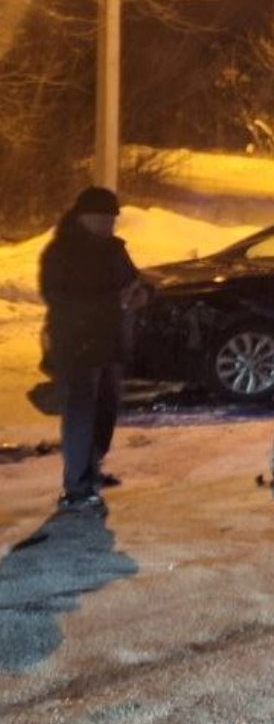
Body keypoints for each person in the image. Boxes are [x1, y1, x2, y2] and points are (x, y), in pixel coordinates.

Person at [39, 187, 151, 514]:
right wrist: (113, 302)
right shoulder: (61, 252)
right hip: (76, 345)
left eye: (112, 219)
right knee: (80, 415)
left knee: (105, 412)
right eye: (101, 218)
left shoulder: (114, 250)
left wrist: (143, 294)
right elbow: (61, 301)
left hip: (111, 345)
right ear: (83, 216)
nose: (107, 225)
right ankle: (76, 486)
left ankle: (93, 468)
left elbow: (136, 280)